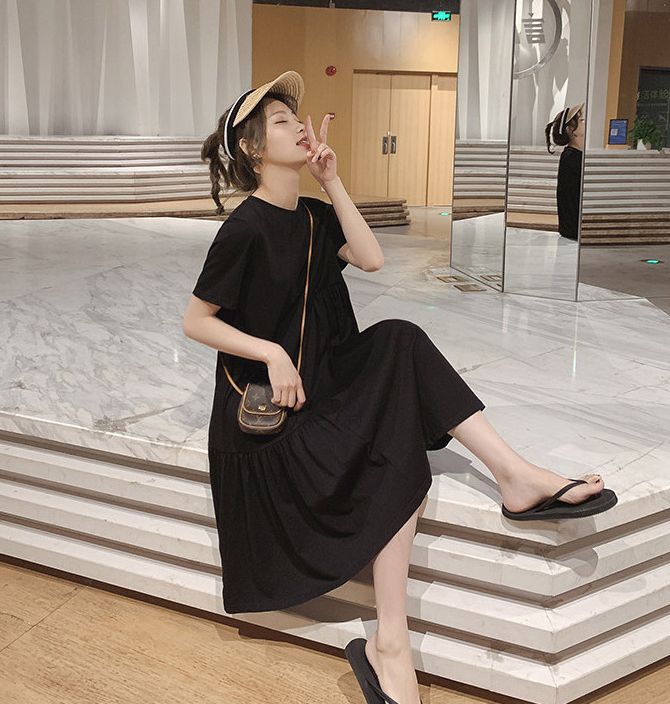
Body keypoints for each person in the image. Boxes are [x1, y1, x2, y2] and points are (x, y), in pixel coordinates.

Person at [182, 72, 616, 704]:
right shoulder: (245, 228)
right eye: (280, 122)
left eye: (296, 118)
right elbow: (196, 321)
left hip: (322, 379)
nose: (298, 127)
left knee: (400, 338)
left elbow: (372, 258)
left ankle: (514, 478)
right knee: (394, 450)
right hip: (270, 415)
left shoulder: (312, 216)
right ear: (251, 148)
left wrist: (332, 179)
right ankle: (391, 642)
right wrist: (270, 352)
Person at [545, 103, 585, 241]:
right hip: (573, 228)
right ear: (571, 130)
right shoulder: (571, 157)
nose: (584, 122)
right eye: (581, 120)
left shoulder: (576, 155)